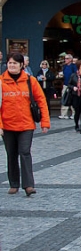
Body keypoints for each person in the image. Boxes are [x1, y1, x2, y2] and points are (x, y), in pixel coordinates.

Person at [0, 52, 50, 196]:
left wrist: (45, 122)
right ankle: (14, 183)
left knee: (25, 152)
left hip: (26, 124)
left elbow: (41, 101)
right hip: (8, 125)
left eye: (15, 63)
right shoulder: (1, 81)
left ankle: (28, 185)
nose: (12, 65)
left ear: (21, 65)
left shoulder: (30, 80)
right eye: (10, 63)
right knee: (11, 154)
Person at [59, 54, 77, 120]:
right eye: (65, 58)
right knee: (64, 98)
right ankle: (64, 114)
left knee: (72, 99)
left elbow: (76, 75)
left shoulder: (74, 66)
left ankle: (74, 114)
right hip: (65, 84)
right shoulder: (64, 66)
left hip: (72, 85)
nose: (65, 60)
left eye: (67, 58)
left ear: (70, 59)